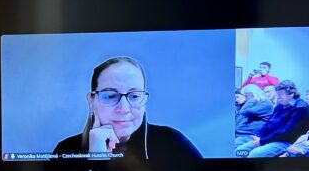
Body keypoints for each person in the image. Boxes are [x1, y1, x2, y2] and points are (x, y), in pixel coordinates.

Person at [52, 56, 201, 160]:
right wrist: (97, 158)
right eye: (111, 96)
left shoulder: (172, 143)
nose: (124, 108)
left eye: (134, 96)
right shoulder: (66, 150)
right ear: (92, 101)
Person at [244, 79, 309, 157]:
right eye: (277, 94)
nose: (278, 97)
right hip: (272, 139)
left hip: (288, 142)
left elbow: (286, 131)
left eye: (281, 94)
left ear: (292, 93)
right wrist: (259, 136)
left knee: (253, 154)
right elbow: (268, 123)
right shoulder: (280, 105)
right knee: (241, 150)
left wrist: (262, 141)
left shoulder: (301, 107)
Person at [234, 85, 274, 153]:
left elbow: (243, 111)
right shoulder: (256, 103)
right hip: (242, 134)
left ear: (251, 94)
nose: (246, 99)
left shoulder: (265, 102)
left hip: (250, 135)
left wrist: (252, 99)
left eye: (246, 96)